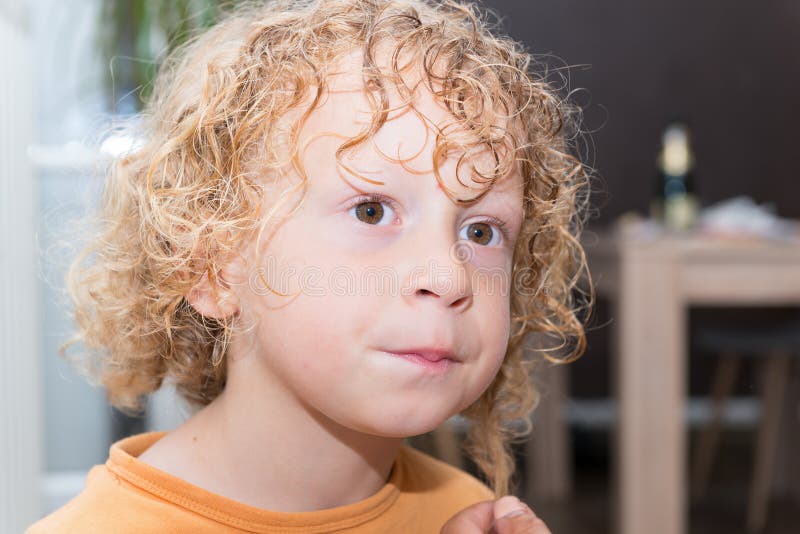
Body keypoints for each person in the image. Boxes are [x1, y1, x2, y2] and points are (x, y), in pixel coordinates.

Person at [27, 0, 591, 532]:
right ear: (214, 266)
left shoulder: (467, 512)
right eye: (372, 211)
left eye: (481, 231)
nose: (448, 277)